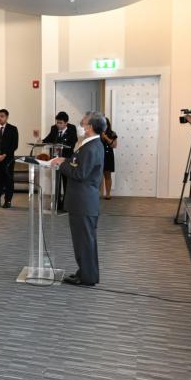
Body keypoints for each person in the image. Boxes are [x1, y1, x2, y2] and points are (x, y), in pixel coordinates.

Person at [50, 112, 107, 286]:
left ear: (90, 127)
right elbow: (78, 163)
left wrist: (61, 164)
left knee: (84, 242)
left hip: (83, 202)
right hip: (83, 201)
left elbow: (80, 173)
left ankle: (87, 277)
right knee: (85, 241)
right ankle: (86, 273)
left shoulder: (91, 147)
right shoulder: (90, 144)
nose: (81, 125)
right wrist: (65, 159)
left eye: (83, 122)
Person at [42, 111, 77, 210]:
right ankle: (57, 204)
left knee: (66, 182)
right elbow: (48, 139)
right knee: (56, 182)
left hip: (66, 159)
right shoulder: (54, 128)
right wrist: (40, 140)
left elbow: (72, 143)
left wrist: (62, 145)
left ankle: (66, 205)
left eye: (61, 123)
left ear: (66, 123)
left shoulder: (72, 129)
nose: (58, 125)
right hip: (55, 159)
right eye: (57, 122)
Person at [101, 118, 118, 200]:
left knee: (107, 175)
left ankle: (108, 194)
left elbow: (114, 145)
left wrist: (106, 137)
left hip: (108, 156)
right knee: (96, 176)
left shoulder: (112, 133)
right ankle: (94, 193)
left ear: (108, 124)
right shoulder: (96, 132)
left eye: (105, 124)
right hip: (98, 155)